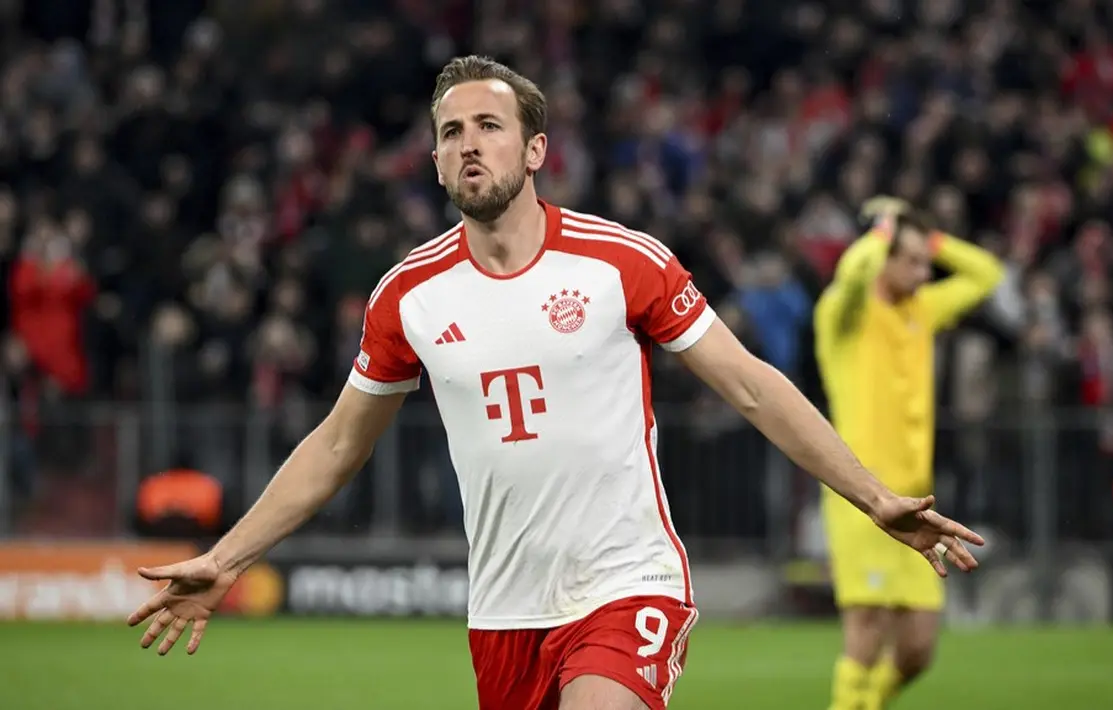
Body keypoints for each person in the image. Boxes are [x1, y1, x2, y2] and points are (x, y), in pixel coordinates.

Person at [127, 57, 984, 710]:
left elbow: (751, 385)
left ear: (535, 150)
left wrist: (873, 497)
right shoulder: (408, 296)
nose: (469, 143)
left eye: (489, 127)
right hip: (503, 611)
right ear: (433, 162)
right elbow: (338, 445)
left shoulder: (623, 262)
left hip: (626, 582)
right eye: (451, 131)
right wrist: (228, 558)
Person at [813, 196, 1005, 710]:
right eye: (913, 261)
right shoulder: (845, 313)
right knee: (867, 627)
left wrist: (929, 237)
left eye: (928, 263)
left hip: (916, 499)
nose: (924, 273)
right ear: (884, 256)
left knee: (919, 647)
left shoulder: (922, 309)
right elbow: (852, 274)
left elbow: (986, 274)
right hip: (859, 497)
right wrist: (884, 229)